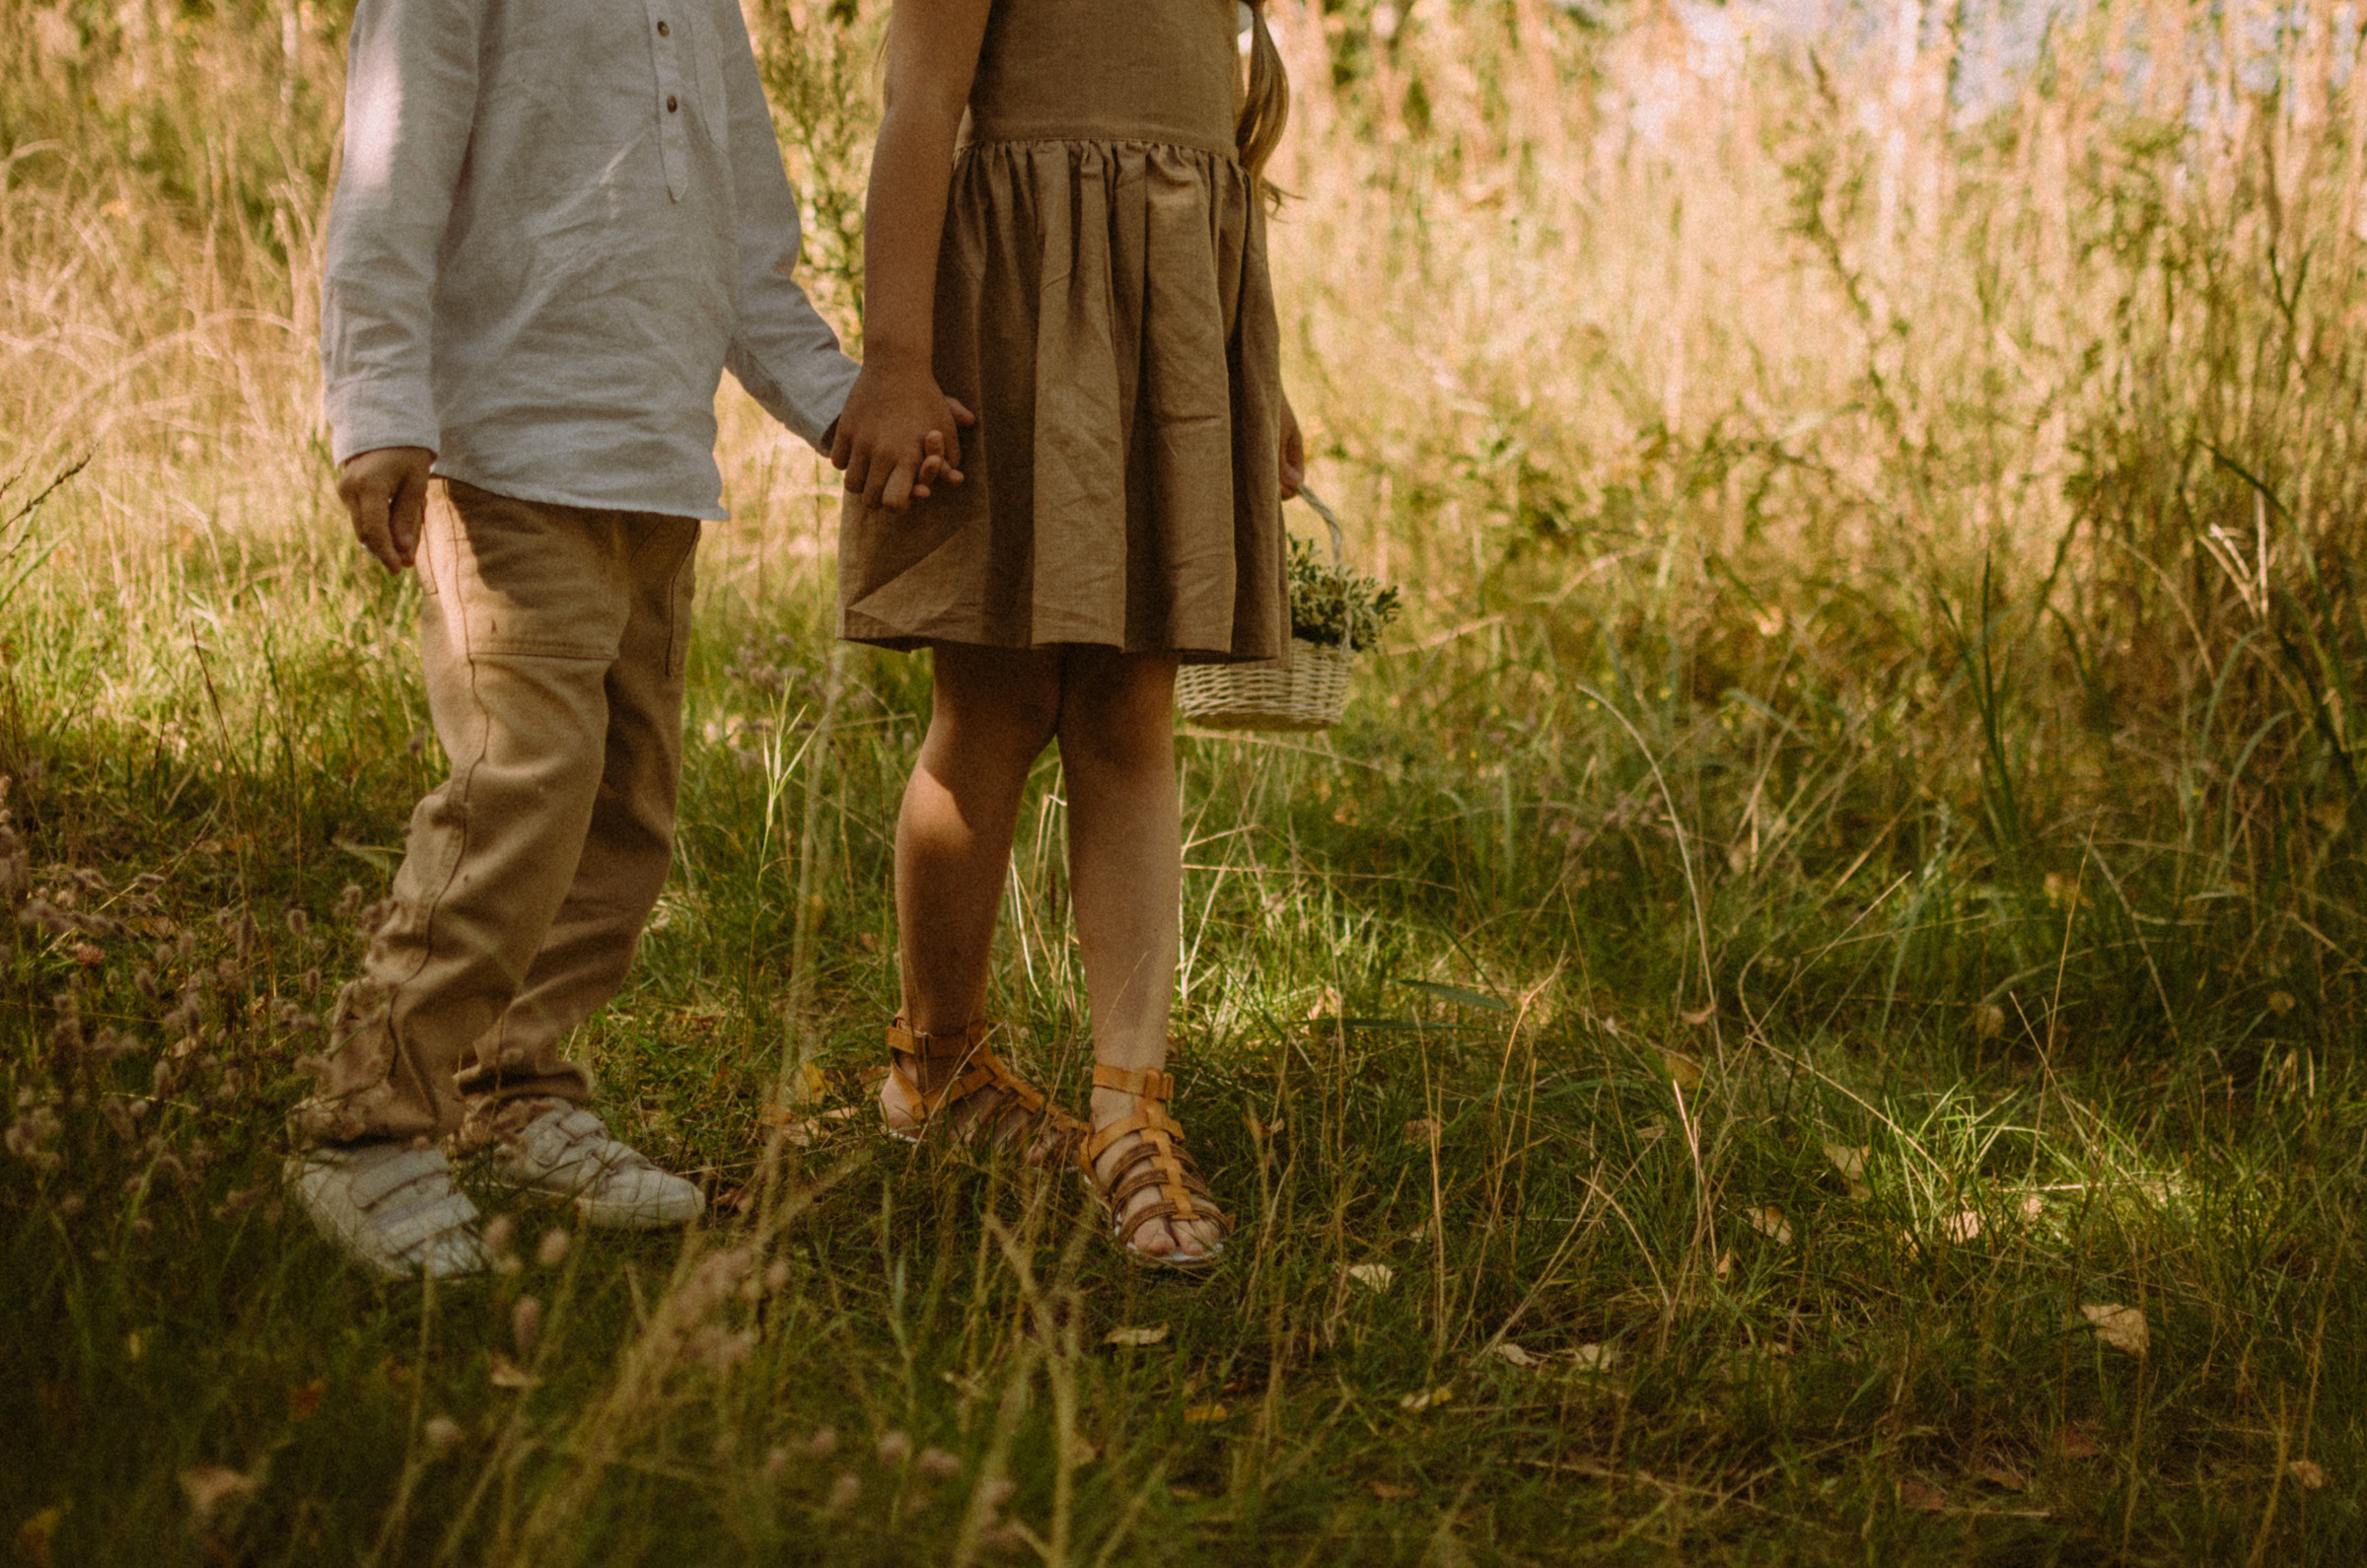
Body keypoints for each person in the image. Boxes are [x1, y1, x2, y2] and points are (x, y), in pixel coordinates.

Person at [288, 0, 946, 1278]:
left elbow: (751, 258)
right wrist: (378, 406)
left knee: (626, 809)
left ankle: (520, 1088)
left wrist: (842, 409)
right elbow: (389, 172)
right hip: (505, 454)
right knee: (518, 789)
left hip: (655, 470)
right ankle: (364, 1128)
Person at [830, 0, 1305, 1265]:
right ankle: (936, 1064)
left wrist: (1256, 386)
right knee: (992, 708)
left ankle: (1128, 1107)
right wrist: (895, 357)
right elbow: (919, 107)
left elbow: (1204, 172)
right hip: (1014, 309)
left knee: (1129, 709)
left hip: (1165, 331)